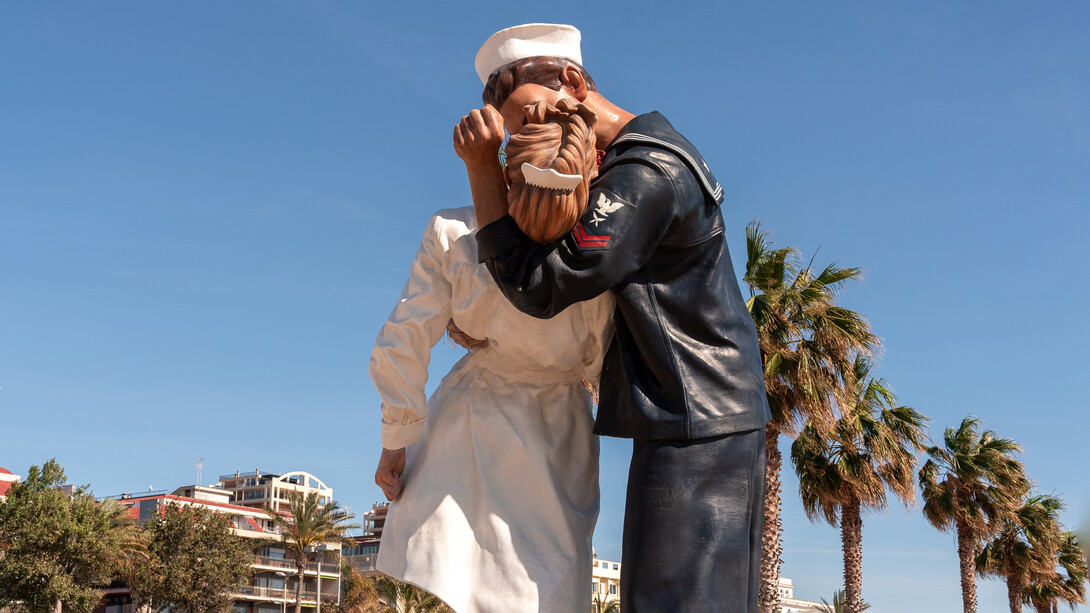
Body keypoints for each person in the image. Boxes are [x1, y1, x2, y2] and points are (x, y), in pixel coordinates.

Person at [453, 24, 772, 612]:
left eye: (529, 119)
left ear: (572, 82)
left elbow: (543, 282)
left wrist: (480, 171)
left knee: (674, 602)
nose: (526, 141)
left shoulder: (646, 172)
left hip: (698, 421)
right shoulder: (639, 161)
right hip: (696, 418)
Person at [370, 99, 611, 613]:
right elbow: (603, 366)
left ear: (506, 170)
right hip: (560, 436)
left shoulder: (453, 233)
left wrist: (397, 440)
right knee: (545, 586)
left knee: (459, 579)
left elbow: (403, 340)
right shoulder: (600, 262)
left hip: (470, 425)